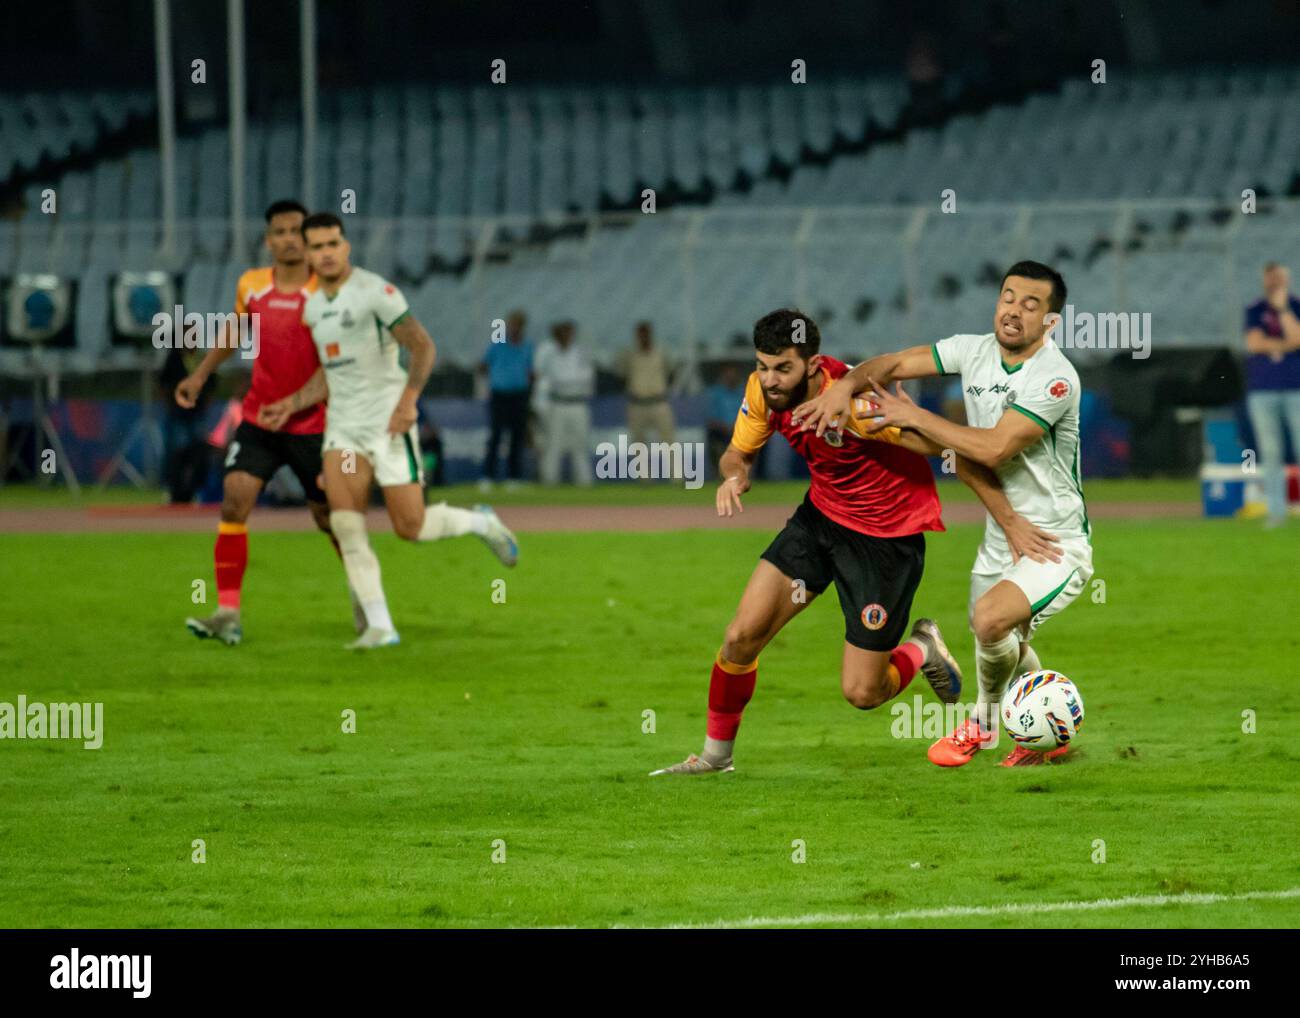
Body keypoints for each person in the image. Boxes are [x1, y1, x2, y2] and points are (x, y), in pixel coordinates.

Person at [651, 308, 1048, 776]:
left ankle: (922, 647)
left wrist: (1010, 522)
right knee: (741, 636)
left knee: (863, 693)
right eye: (762, 365)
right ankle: (716, 758)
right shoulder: (763, 393)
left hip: (885, 542)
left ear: (814, 366)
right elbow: (737, 453)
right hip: (820, 521)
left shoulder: (859, 407)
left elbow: (954, 452)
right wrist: (735, 477)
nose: (770, 379)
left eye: (783, 368)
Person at [795, 260, 1091, 767]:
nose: (1014, 311)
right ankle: (1044, 736)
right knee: (1006, 641)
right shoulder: (970, 351)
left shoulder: (1056, 379)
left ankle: (980, 725)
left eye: (1031, 304)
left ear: (1051, 321)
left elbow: (995, 448)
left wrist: (914, 416)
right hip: (1002, 535)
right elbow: (888, 366)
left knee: (989, 620)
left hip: (1053, 540)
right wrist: (844, 389)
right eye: (1008, 296)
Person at [259, 212, 518, 649]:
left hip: (388, 426)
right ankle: (381, 626)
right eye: (316, 246)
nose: (325, 253)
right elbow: (331, 373)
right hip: (344, 432)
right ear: (305, 253)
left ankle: (481, 522)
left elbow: (422, 346)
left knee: (409, 526)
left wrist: (408, 402)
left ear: (346, 247)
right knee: (345, 524)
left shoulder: (376, 293)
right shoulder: (313, 308)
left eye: (332, 244)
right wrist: (293, 402)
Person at [177, 199, 344, 646]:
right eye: (280, 232)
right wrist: (199, 374)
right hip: (260, 419)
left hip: (314, 425)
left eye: (296, 231)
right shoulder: (251, 285)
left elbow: (337, 361)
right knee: (234, 500)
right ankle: (227, 612)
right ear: (268, 240)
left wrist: (297, 403)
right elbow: (235, 331)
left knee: (332, 520)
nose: (289, 239)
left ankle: (367, 600)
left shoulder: (327, 289)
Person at [1243, 262, 1300, 528]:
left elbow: (1297, 337)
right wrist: (1284, 346)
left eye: (1279, 277)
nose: (1275, 282)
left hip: (1294, 387)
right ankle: (1276, 513)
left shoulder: (1295, 306)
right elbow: (1254, 343)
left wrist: (1283, 310)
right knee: (1270, 451)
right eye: (1271, 277)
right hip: (1262, 389)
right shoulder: (1254, 309)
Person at [534, 320, 594, 486]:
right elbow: (543, 379)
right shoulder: (549, 353)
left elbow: (585, 379)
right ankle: (550, 481)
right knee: (553, 444)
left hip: (577, 403)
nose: (565, 336)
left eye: (568, 332)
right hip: (558, 403)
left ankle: (584, 482)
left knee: (580, 444)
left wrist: (565, 382)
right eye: (561, 333)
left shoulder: (581, 353)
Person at [479, 309, 533, 489]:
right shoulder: (498, 344)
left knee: (517, 437)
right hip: (500, 394)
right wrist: (498, 378)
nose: (513, 328)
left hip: (519, 395)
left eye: (517, 325)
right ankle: (488, 476)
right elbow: (482, 365)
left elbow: (532, 371)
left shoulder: (527, 346)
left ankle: (514, 477)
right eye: (511, 324)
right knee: (496, 435)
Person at [160, 346, 215, 504]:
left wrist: (205, 405)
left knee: (198, 453)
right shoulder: (174, 357)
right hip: (178, 414)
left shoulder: (201, 357)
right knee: (175, 453)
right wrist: (169, 406)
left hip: (197, 413)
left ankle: (196, 490)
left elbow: (211, 381)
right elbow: (164, 383)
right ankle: (172, 489)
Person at [617, 321, 675, 452]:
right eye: (640, 333)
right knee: (638, 444)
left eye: (646, 333)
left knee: (669, 441)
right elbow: (621, 374)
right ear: (636, 335)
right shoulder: (629, 354)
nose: (643, 336)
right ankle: (643, 473)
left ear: (651, 334)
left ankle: (675, 472)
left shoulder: (661, 352)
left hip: (658, 402)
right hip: (637, 404)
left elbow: (670, 372)